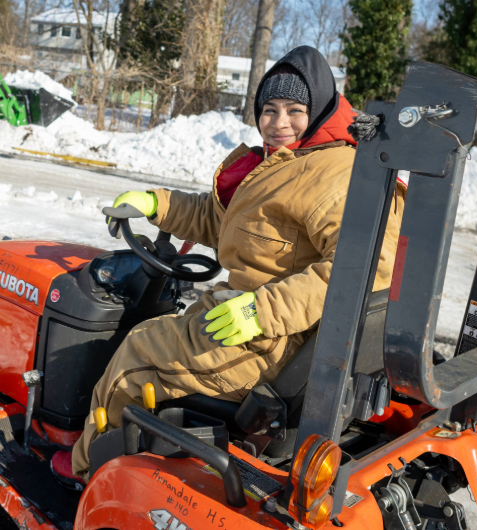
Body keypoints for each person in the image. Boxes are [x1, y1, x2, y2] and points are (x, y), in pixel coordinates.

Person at [51, 45, 407, 488]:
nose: (278, 123)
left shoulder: (337, 175)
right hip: (239, 318)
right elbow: (219, 222)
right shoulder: (288, 162)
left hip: (273, 343)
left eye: (295, 110)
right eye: (269, 109)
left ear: (317, 111)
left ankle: (88, 470)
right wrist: (154, 204)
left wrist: (261, 311)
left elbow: (365, 271)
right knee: (161, 331)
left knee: (139, 349)